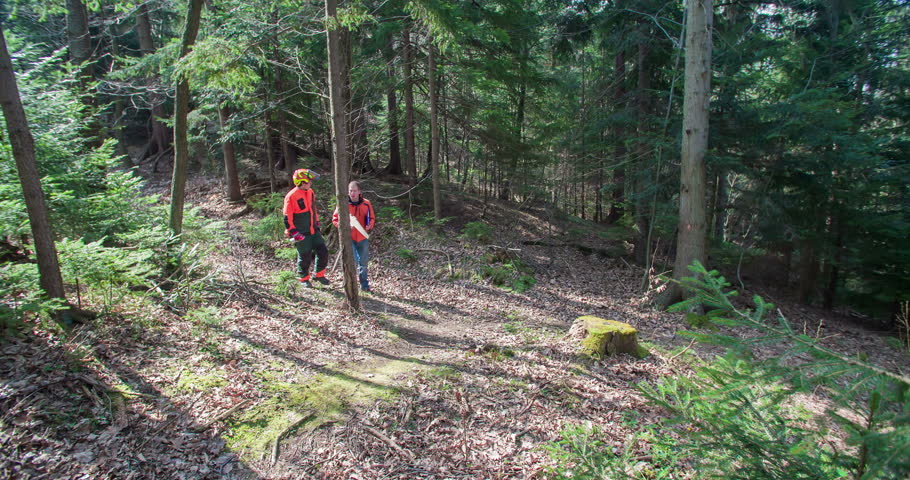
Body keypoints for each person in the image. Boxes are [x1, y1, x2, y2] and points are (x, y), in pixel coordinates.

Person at [284, 168, 330, 288]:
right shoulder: (291, 196)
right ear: (302, 181)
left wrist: (317, 223)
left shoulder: (310, 192)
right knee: (305, 256)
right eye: (309, 181)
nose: (311, 183)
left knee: (323, 251)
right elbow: (287, 217)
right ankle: (304, 278)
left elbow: (313, 209)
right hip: (300, 230)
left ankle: (319, 275)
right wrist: (293, 232)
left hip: (313, 229)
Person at [333, 180, 375, 292]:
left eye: (354, 191)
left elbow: (371, 218)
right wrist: (343, 227)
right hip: (349, 238)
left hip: (362, 237)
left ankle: (364, 285)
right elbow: (335, 219)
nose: (352, 193)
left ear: (359, 192)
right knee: (352, 261)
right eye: (350, 191)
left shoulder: (366, 203)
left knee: (364, 262)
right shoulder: (343, 203)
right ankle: (351, 285)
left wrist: (369, 226)